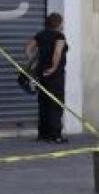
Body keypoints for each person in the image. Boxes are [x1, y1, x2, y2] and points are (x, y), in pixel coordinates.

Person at [24, 13, 68, 143]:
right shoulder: (59, 36)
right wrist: (53, 67)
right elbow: (57, 52)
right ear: (59, 24)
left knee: (43, 104)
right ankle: (55, 136)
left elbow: (28, 48)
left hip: (41, 74)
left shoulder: (41, 35)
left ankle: (43, 134)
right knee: (55, 104)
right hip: (54, 76)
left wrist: (33, 62)